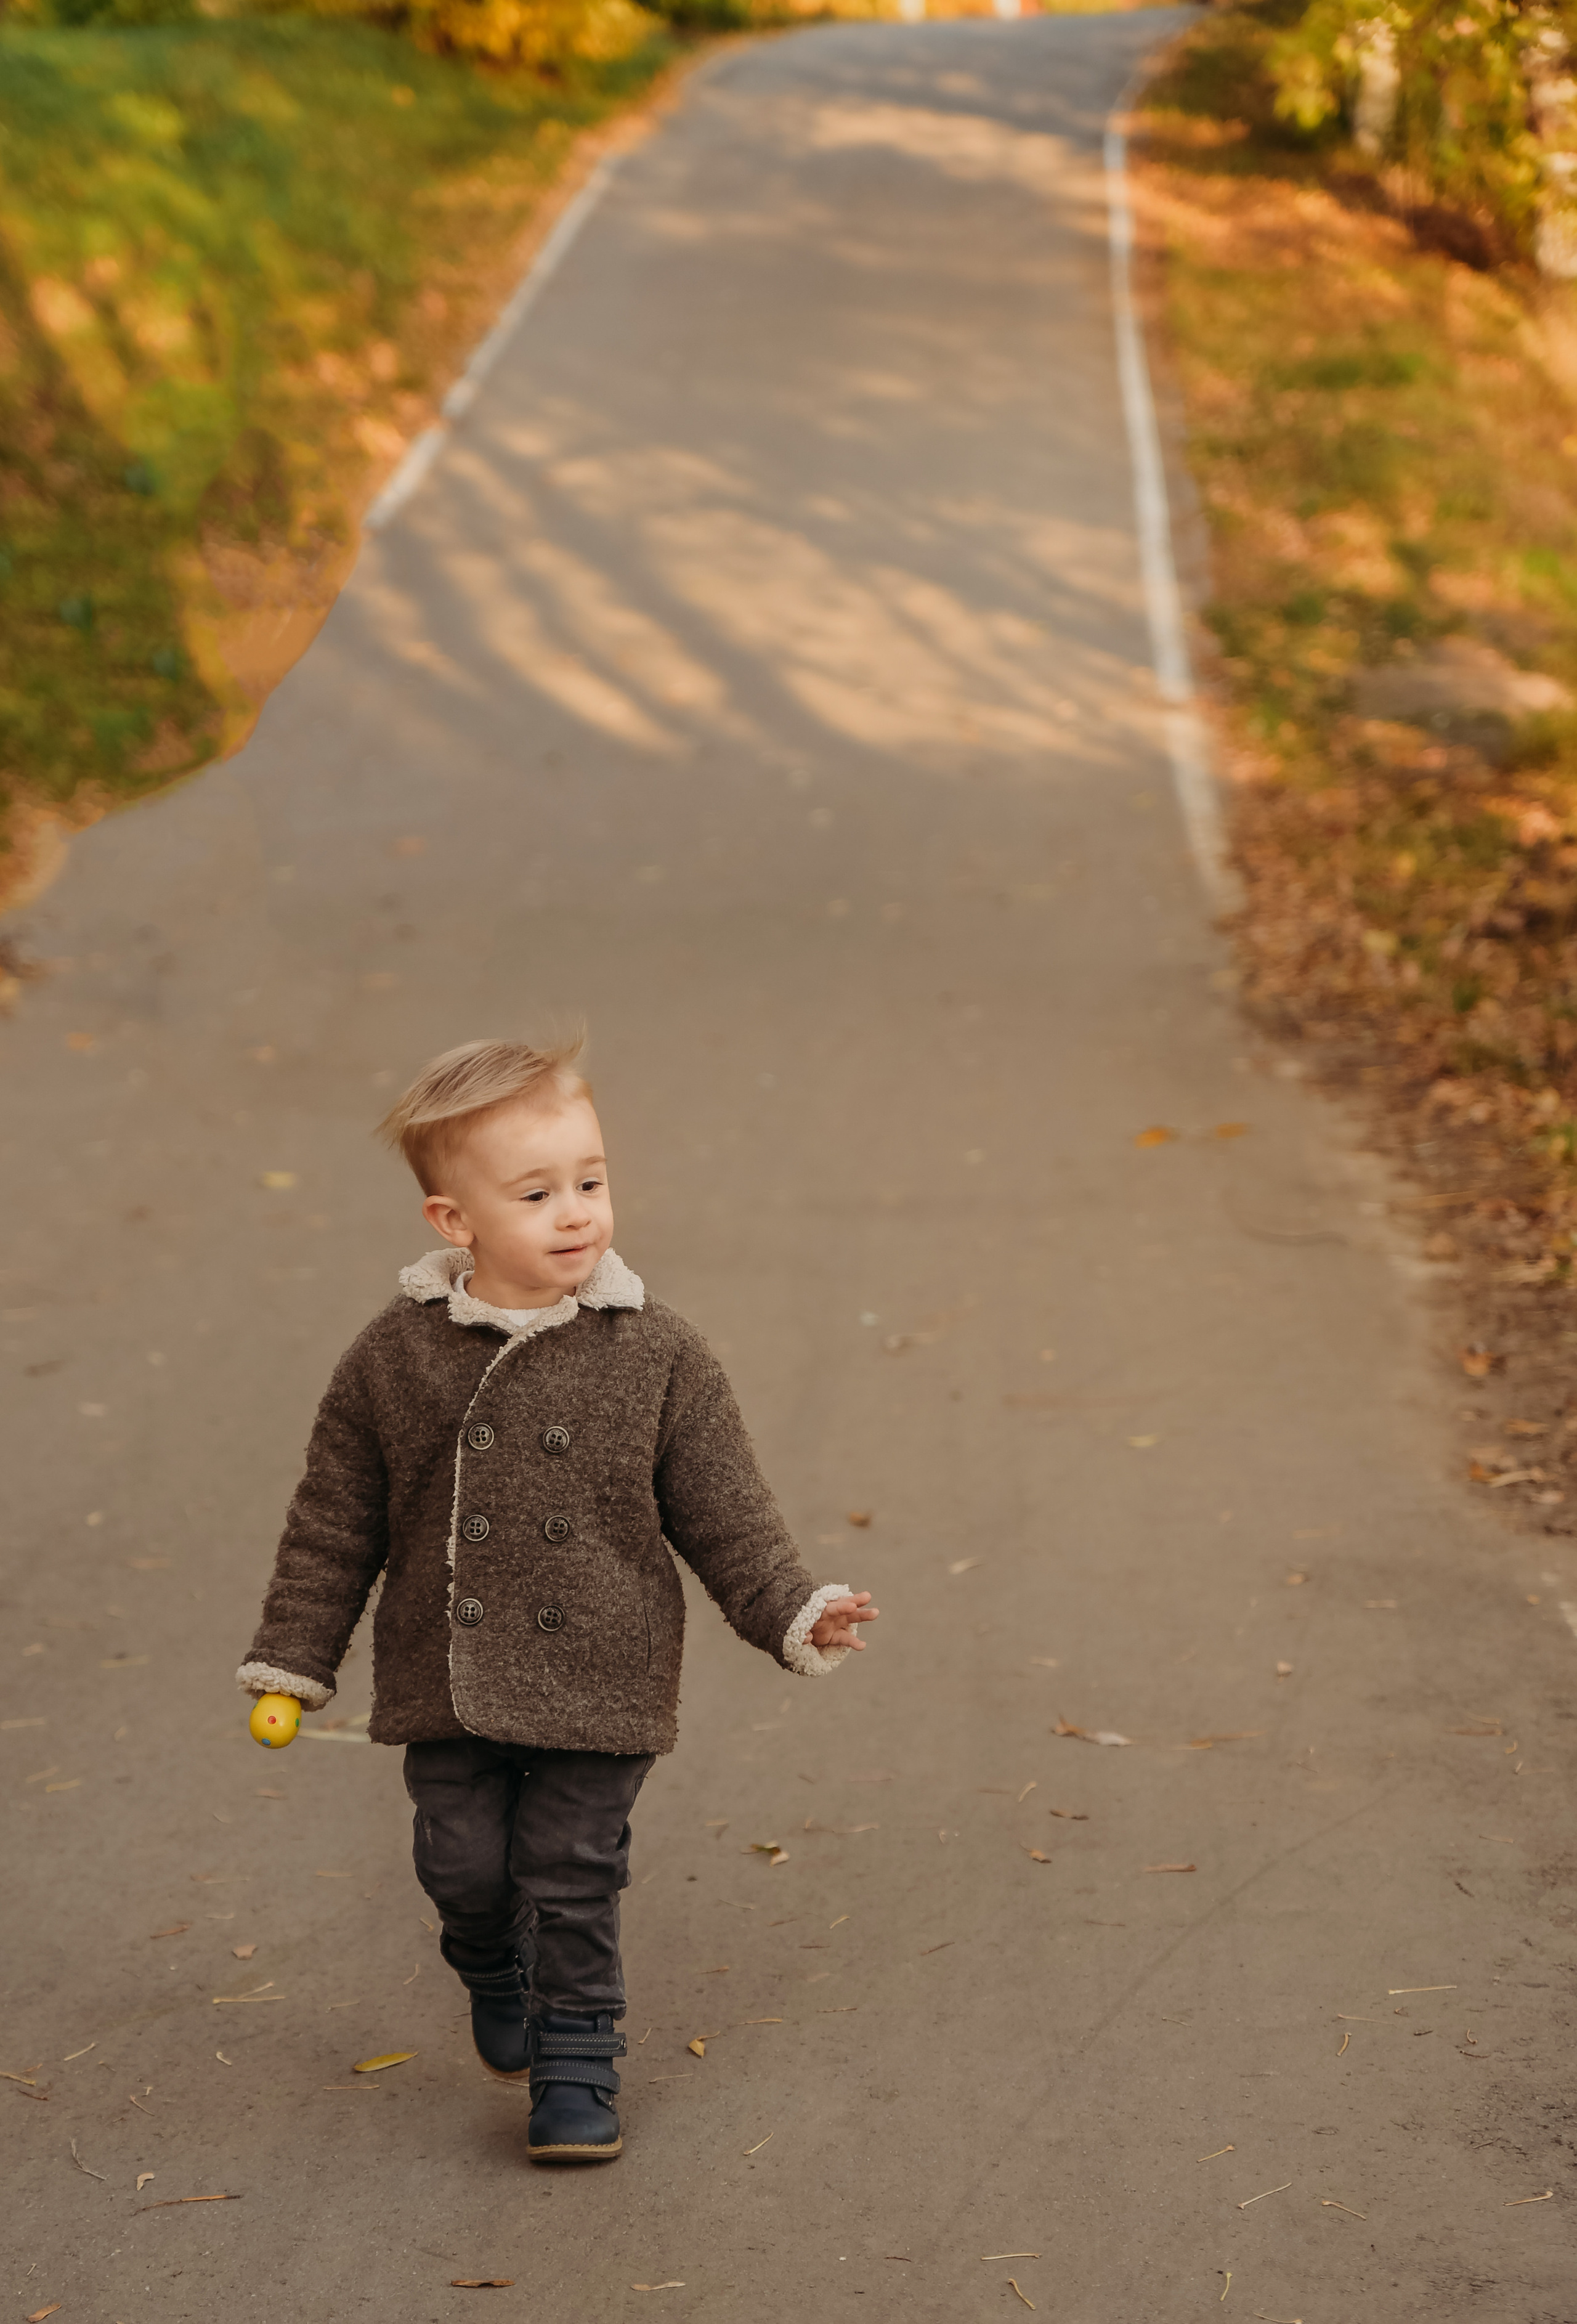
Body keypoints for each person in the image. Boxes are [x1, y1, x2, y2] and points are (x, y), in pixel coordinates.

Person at [235, 1036, 878, 2163]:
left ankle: (577, 2059)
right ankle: (492, 1960)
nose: (577, 1213)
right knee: (463, 1865)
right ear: (454, 1222)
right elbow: (335, 1520)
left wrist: (791, 1605)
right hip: (448, 1668)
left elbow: (724, 1509)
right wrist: (297, 1655)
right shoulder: (393, 1357)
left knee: (572, 1873)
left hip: (600, 1670)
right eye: (536, 1195)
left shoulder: (659, 1352)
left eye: (591, 1181)